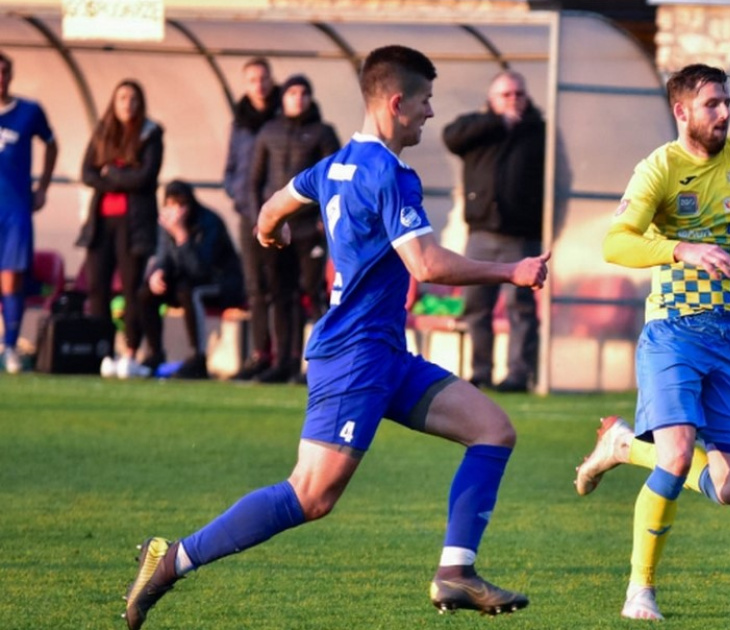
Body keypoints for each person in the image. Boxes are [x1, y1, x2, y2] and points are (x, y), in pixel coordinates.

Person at [122, 45, 549, 629]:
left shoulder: (335, 164)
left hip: (384, 355)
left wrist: (270, 230)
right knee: (310, 496)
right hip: (353, 357)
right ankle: (170, 559)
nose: (429, 113)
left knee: (494, 430)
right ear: (397, 103)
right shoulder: (392, 175)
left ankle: (455, 573)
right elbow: (424, 265)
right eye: (424, 101)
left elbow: (272, 207)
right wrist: (511, 271)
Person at [571, 63, 730, 621]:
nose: (725, 113)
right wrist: (681, 250)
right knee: (679, 455)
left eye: (727, 102)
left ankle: (621, 446)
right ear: (682, 112)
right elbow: (616, 243)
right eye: (712, 104)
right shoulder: (658, 169)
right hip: (673, 333)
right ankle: (641, 591)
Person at [442, 70, 544, 392]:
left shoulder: (537, 131)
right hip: (481, 236)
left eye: (519, 94)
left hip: (520, 237)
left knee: (521, 309)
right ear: (491, 99)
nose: (514, 100)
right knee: (476, 306)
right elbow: (450, 136)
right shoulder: (479, 129)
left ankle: (518, 374)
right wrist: (497, 122)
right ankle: (481, 371)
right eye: (506, 94)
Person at [247, 74, 341, 383]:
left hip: (309, 230)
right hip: (277, 230)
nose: (297, 99)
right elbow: (254, 181)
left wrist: (324, 221)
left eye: (304, 93)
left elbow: (336, 180)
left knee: (313, 296)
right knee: (280, 295)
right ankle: (284, 362)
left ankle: (317, 365)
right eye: (292, 93)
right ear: (283, 97)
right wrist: (260, 221)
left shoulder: (323, 133)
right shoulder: (268, 131)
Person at [78, 79, 163, 379]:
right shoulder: (103, 132)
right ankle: (103, 352)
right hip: (102, 223)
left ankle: (130, 353)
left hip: (134, 223)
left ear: (140, 103)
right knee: (97, 287)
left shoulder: (151, 133)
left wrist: (111, 173)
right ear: (114, 102)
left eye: (132, 98)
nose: (127, 103)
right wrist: (119, 177)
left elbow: (145, 178)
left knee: (131, 289)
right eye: (122, 98)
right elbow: (87, 172)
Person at [137, 181, 244, 379]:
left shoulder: (209, 222)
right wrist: (158, 272)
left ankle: (198, 357)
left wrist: (181, 235)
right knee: (147, 292)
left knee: (190, 292)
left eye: (180, 205)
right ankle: (155, 353)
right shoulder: (165, 224)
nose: (175, 212)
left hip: (219, 283)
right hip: (185, 279)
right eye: (170, 206)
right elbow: (163, 255)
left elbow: (201, 270)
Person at [223, 57, 281, 381]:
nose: (258, 85)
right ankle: (260, 353)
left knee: (280, 288)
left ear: (272, 80)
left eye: (263, 78)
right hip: (248, 214)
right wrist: (238, 195)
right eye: (252, 80)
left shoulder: (284, 116)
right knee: (255, 288)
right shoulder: (240, 122)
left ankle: (285, 357)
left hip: (280, 215)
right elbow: (230, 170)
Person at [0, 50, 57, 374]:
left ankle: (10, 347)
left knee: (11, 279)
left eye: (4, 72)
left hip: (15, 209)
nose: (0, 78)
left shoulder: (29, 111)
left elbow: (51, 143)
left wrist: (43, 187)